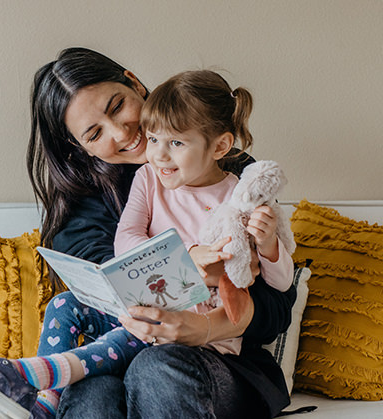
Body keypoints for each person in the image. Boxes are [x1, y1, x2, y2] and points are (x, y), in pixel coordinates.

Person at [0, 48, 296, 419]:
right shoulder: (84, 210)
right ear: (79, 147)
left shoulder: (231, 174)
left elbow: (275, 307)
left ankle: (36, 383)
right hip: (117, 349)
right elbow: (115, 290)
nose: (122, 132)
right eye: (95, 133)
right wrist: (183, 262)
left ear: (134, 83)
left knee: (156, 368)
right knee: (92, 394)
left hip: (213, 359)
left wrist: (203, 327)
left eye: (117, 106)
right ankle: (43, 402)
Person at [115, 69, 294, 358]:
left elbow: (282, 284)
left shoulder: (239, 198)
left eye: (176, 143)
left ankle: (61, 373)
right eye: (152, 139)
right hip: (147, 310)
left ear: (220, 146)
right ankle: (45, 394)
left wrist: (268, 243)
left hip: (204, 333)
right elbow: (124, 241)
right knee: (66, 305)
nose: (159, 155)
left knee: (135, 353)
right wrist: (186, 256)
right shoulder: (148, 178)